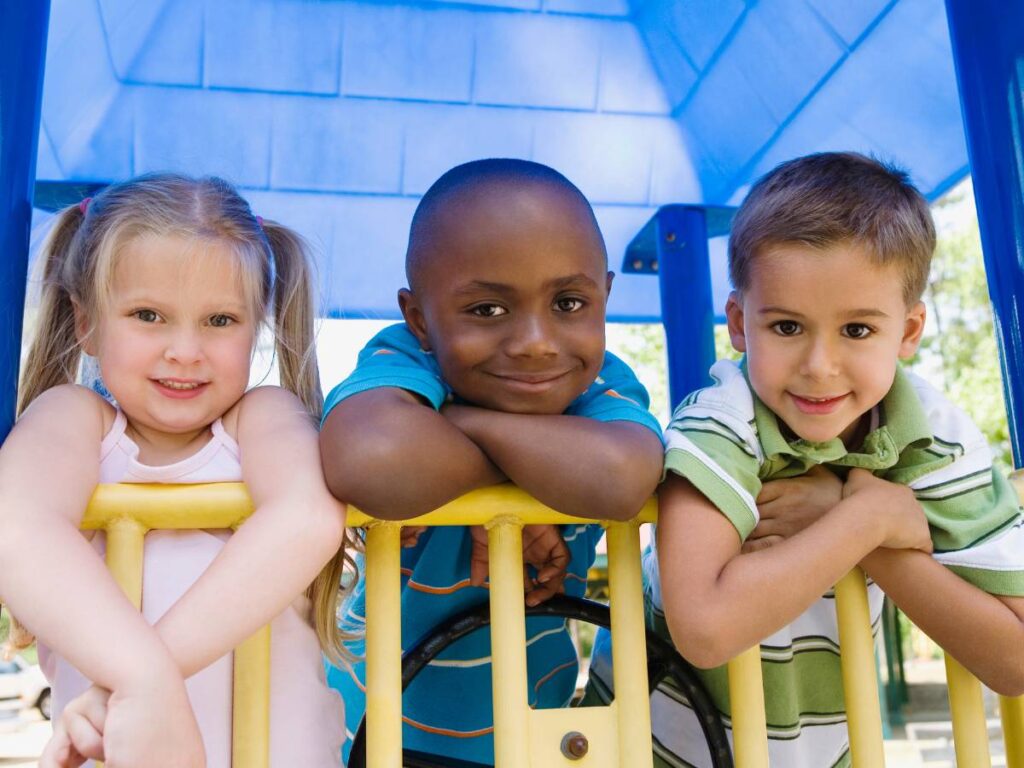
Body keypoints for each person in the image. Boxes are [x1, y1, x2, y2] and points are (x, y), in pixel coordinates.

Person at [588, 152, 1024, 767]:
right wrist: (867, 521)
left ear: (908, 331)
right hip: (650, 751)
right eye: (788, 327)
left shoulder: (933, 436)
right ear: (739, 324)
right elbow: (705, 628)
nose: (820, 366)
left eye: (857, 331)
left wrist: (868, 539)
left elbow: (1014, 658)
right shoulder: (721, 421)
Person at [319, 158, 665, 764]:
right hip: (378, 730)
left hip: (531, 733)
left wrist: (461, 421)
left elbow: (620, 477)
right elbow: (369, 457)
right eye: (487, 310)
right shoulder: (407, 362)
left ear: (605, 296)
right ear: (419, 319)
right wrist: (541, 456)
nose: (535, 341)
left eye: (569, 302)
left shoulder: (601, 386)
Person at [0, 174, 352, 768]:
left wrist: (140, 683)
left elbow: (307, 515)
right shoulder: (73, 422)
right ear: (86, 322)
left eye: (219, 321)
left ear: (256, 325)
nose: (185, 350)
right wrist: (145, 681)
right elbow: (15, 525)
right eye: (148, 315)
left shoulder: (262, 419)